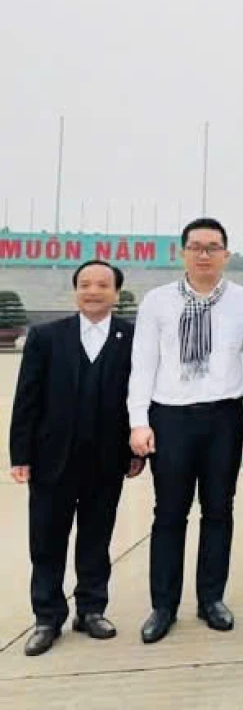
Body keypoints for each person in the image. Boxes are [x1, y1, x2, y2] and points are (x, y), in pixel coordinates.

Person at [129, 218, 243, 644]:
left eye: (212, 247)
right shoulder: (157, 301)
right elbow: (143, 364)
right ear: (182, 252)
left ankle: (211, 600)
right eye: (196, 246)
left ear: (226, 254)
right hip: (170, 417)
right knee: (168, 513)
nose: (204, 254)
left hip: (224, 417)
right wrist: (138, 421)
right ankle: (163, 606)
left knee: (218, 511)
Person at [10, 261, 144, 656]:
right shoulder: (47, 337)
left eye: (103, 284)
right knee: (48, 540)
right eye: (85, 284)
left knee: (96, 538)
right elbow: (27, 399)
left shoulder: (132, 337)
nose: (93, 291)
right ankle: (48, 616)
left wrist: (136, 452)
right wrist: (21, 453)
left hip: (107, 458)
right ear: (75, 291)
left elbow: (138, 399)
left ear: (116, 293)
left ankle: (90, 609)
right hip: (53, 458)